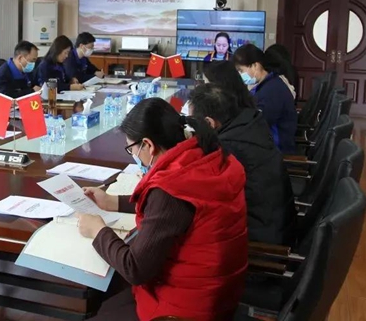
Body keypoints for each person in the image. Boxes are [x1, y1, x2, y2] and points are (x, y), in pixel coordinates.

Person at [78, 98, 247, 321]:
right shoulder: (204, 155)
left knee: (104, 304)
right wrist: (112, 202)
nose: (134, 156)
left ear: (148, 145)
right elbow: (172, 211)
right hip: (218, 292)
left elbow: (135, 269)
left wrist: (98, 231)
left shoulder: (172, 187)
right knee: (109, 303)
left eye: (132, 149)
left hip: (184, 310)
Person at [190, 83, 296, 245]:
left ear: (209, 123)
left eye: (194, 125)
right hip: (278, 224)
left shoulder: (228, 148)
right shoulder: (249, 124)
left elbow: (205, 197)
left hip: (261, 241)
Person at [234, 44, 298, 153]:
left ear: (255, 66)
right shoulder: (268, 85)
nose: (240, 75)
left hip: (276, 151)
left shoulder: (272, 91)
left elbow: (258, 124)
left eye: (241, 70)